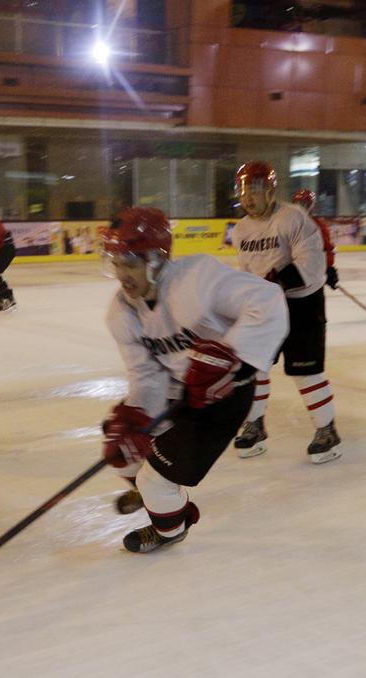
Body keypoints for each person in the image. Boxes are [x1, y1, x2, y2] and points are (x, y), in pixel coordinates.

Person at [102, 207, 287, 552]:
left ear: (156, 259)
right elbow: (146, 372)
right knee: (123, 445)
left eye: (129, 263)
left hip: (225, 397)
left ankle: (171, 528)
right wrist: (138, 414)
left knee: (153, 478)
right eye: (114, 262)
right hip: (180, 390)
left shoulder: (198, 279)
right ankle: (159, 498)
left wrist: (236, 360)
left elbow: (268, 300)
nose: (120, 274)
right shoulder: (122, 312)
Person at [228, 163, 342, 464]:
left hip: (302, 304)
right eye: (244, 191)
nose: (248, 198)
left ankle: (327, 431)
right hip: (265, 307)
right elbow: (247, 270)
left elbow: (312, 264)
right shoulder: (241, 230)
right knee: (254, 368)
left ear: (270, 190)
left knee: (306, 373)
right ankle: (255, 426)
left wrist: (276, 281)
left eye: (255, 190)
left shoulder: (293, 218)